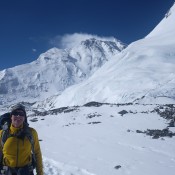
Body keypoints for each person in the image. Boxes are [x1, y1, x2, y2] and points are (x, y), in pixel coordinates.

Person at [0, 104, 43, 175]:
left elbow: (37, 153)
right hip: (7, 171)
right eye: (15, 113)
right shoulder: (2, 134)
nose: (18, 116)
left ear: (24, 117)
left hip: (26, 171)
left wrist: (40, 173)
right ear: (11, 116)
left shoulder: (31, 133)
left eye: (21, 114)